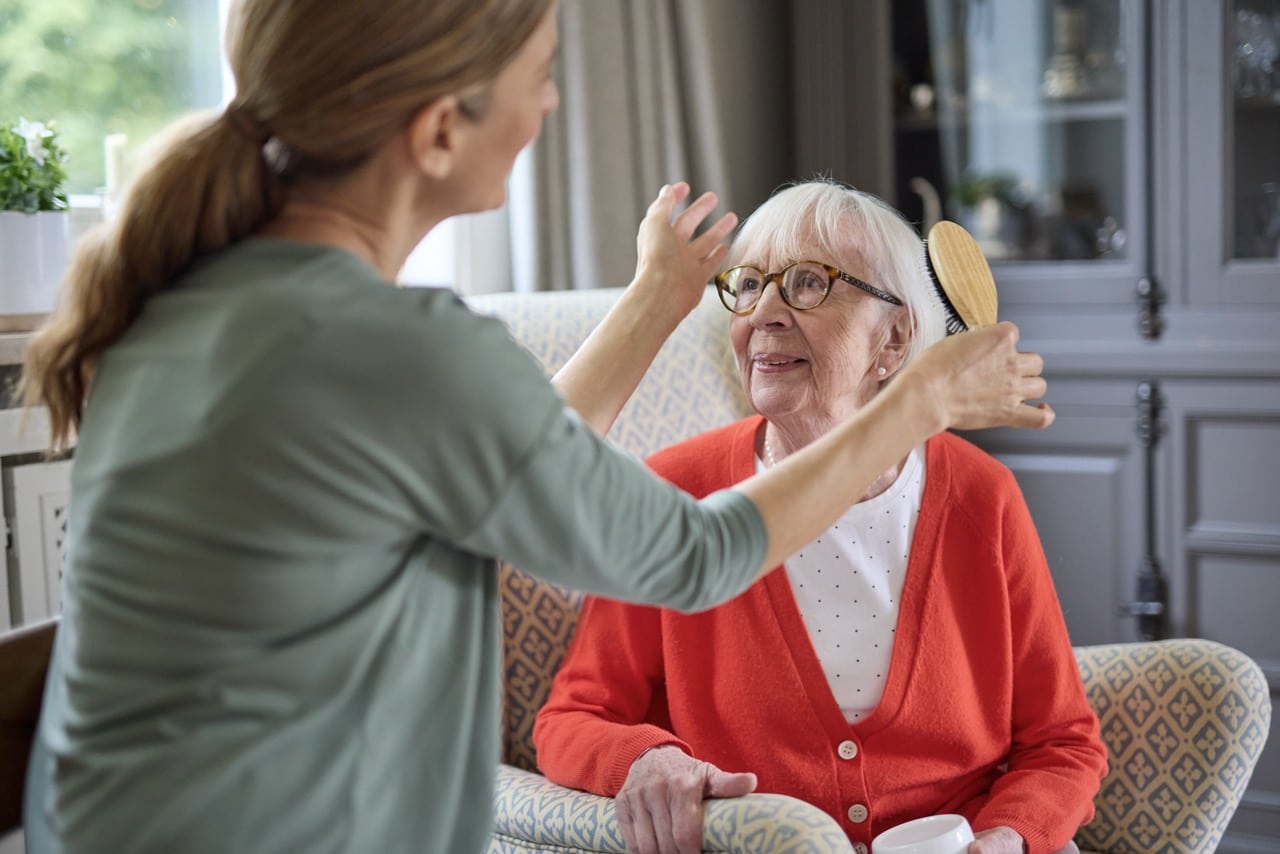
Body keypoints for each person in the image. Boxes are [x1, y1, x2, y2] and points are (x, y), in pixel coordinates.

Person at [18, 1, 1054, 851]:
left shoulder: (193, 312)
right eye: (540, 71)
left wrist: (655, 295)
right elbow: (699, 553)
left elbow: (504, 458)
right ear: (437, 130)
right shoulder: (400, 349)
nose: (554, 100)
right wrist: (924, 403)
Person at [534, 181, 1106, 854]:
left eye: (810, 283)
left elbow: (1061, 740)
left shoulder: (983, 495)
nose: (764, 313)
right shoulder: (676, 490)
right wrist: (646, 760)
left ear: (894, 341)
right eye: (748, 285)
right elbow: (572, 719)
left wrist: (1007, 838)